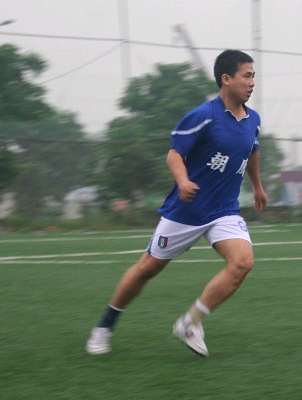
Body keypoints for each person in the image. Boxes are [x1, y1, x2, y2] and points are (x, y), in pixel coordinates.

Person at [86, 49, 268, 357]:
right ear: (226, 79)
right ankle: (104, 327)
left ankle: (190, 322)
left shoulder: (254, 120)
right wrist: (183, 181)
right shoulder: (203, 116)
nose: (252, 83)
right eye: (246, 76)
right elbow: (174, 155)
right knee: (147, 269)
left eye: (253, 76)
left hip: (224, 211)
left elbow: (252, 152)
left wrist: (258, 187)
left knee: (242, 263)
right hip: (188, 210)